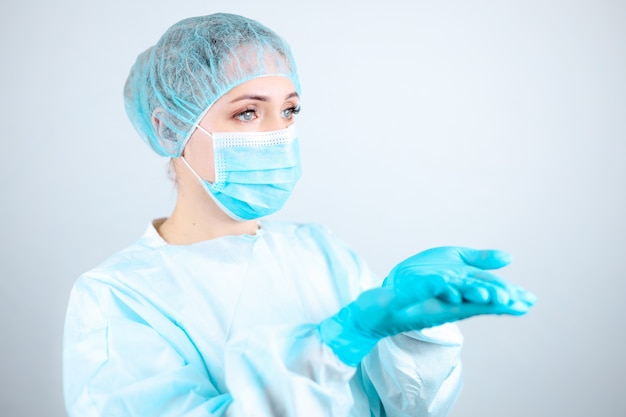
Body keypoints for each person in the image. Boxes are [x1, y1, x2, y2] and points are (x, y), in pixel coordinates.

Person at [63, 13, 536, 417]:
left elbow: (400, 406)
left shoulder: (319, 250)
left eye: (289, 111)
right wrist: (332, 345)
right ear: (170, 128)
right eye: (247, 113)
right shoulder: (118, 297)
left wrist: (412, 331)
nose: (280, 133)